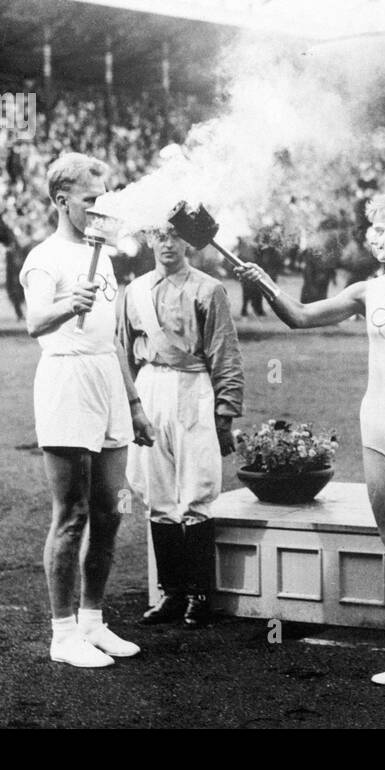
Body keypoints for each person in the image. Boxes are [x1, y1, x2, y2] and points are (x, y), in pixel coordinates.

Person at [237, 193, 385, 701]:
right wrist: (263, 284)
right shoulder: (367, 291)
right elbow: (300, 317)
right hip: (379, 431)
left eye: (384, 230)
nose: (374, 238)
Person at [19, 152, 155, 668]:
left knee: (109, 512)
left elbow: (112, 341)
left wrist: (136, 404)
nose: (101, 211)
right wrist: (65, 304)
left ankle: (93, 621)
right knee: (71, 514)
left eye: (105, 200)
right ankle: (62, 633)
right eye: (91, 201)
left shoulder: (108, 258)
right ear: (61, 200)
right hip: (66, 379)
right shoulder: (43, 258)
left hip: (106, 379)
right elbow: (35, 323)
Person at [120, 218, 244, 628]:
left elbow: (224, 353)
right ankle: (171, 593)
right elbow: (124, 351)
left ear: (187, 242)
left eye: (174, 236)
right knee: (157, 492)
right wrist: (132, 403)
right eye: (158, 235)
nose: (166, 244)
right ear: (149, 239)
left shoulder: (208, 289)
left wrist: (225, 415)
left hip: (193, 386)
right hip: (151, 385)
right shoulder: (135, 291)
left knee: (196, 489)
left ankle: (200, 594)